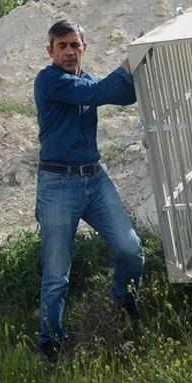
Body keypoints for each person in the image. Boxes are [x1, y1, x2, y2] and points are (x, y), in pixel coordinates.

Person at [33, 19, 144, 362]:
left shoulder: (87, 78)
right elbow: (97, 94)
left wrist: (143, 59)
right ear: (50, 50)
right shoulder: (49, 80)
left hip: (94, 179)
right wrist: (128, 61)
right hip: (57, 184)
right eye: (61, 45)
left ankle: (122, 298)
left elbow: (124, 94)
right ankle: (51, 341)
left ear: (84, 49)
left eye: (74, 45)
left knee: (131, 249)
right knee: (56, 274)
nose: (68, 51)